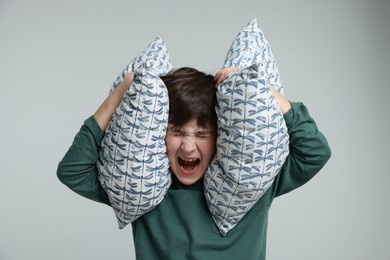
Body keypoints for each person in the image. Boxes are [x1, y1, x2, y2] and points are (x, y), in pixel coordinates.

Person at [57, 67, 331, 259]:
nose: (188, 146)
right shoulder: (144, 189)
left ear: (221, 137)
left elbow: (314, 151)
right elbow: (73, 170)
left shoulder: (249, 187)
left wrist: (262, 87)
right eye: (176, 132)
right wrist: (119, 95)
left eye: (202, 134)